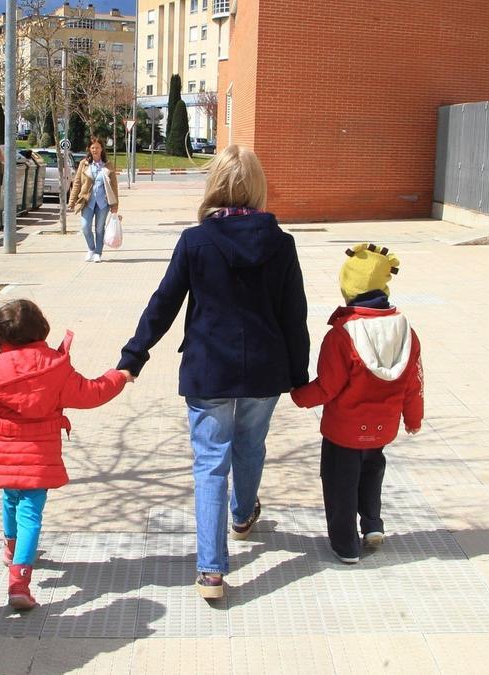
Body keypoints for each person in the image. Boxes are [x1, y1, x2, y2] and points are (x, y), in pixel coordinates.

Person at [117, 145, 310, 600]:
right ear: (257, 187)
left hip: (209, 368)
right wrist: (300, 375)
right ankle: (243, 515)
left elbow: (163, 304)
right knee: (250, 444)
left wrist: (134, 356)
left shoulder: (195, 241)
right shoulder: (281, 243)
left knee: (209, 463)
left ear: (215, 185)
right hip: (264, 369)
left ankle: (211, 571)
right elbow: (293, 314)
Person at [0, 299, 130, 610]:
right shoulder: (55, 368)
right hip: (40, 458)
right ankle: (19, 581)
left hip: (4, 454)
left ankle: (11, 551)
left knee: (11, 499)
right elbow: (92, 393)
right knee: (30, 515)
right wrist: (118, 376)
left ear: (1, 337)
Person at [290, 243, 424, 564]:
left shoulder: (342, 334)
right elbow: (413, 382)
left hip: (344, 431)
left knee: (340, 486)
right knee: (371, 473)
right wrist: (413, 419)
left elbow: (327, 387)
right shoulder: (406, 330)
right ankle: (373, 525)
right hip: (382, 428)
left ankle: (346, 545)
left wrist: (298, 395)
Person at [69, 137, 120, 263]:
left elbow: (114, 186)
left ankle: (98, 252)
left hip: (103, 203)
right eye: (92, 148)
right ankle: (91, 249)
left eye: (97, 147)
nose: (95, 150)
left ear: (101, 148)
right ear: (89, 149)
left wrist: (115, 204)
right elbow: (76, 183)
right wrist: (72, 201)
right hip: (87, 201)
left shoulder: (108, 164)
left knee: (99, 228)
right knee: (85, 227)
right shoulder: (84, 164)